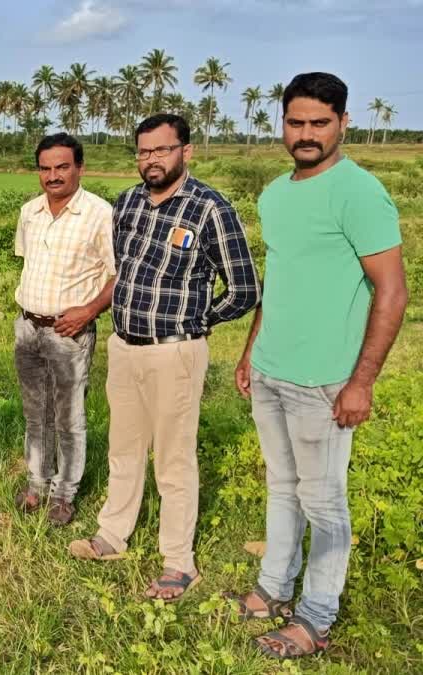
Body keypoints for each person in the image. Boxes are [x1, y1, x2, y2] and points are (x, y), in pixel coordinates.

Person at [226, 72, 407, 659]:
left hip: (326, 380)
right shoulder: (276, 193)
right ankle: (273, 590)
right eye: (296, 122)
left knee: (324, 501)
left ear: (343, 124)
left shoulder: (359, 192)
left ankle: (315, 617)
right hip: (274, 371)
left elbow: (392, 293)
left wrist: (362, 381)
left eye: (319, 123)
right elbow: (276, 282)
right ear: (282, 123)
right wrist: (253, 349)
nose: (306, 134)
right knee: (282, 488)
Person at [69, 114, 260, 601]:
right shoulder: (128, 202)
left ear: (186, 152)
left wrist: (198, 320)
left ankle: (179, 561)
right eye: (143, 151)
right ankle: (113, 534)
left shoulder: (210, 208)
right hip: (125, 346)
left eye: (161, 150)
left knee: (174, 459)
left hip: (175, 351)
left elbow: (244, 289)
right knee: (123, 448)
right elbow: (120, 266)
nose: (151, 160)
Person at [12, 133, 115, 526]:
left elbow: (118, 273)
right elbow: (29, 262)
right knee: (35, 413)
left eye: (62, 167)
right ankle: (36, 484)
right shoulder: (29, 212)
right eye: (45, 168)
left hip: (69, 332)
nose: (53, 176)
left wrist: (88, 311)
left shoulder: (99, 213)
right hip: (27, 326)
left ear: (79, 168)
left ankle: (64, 494)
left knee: (69, 417)